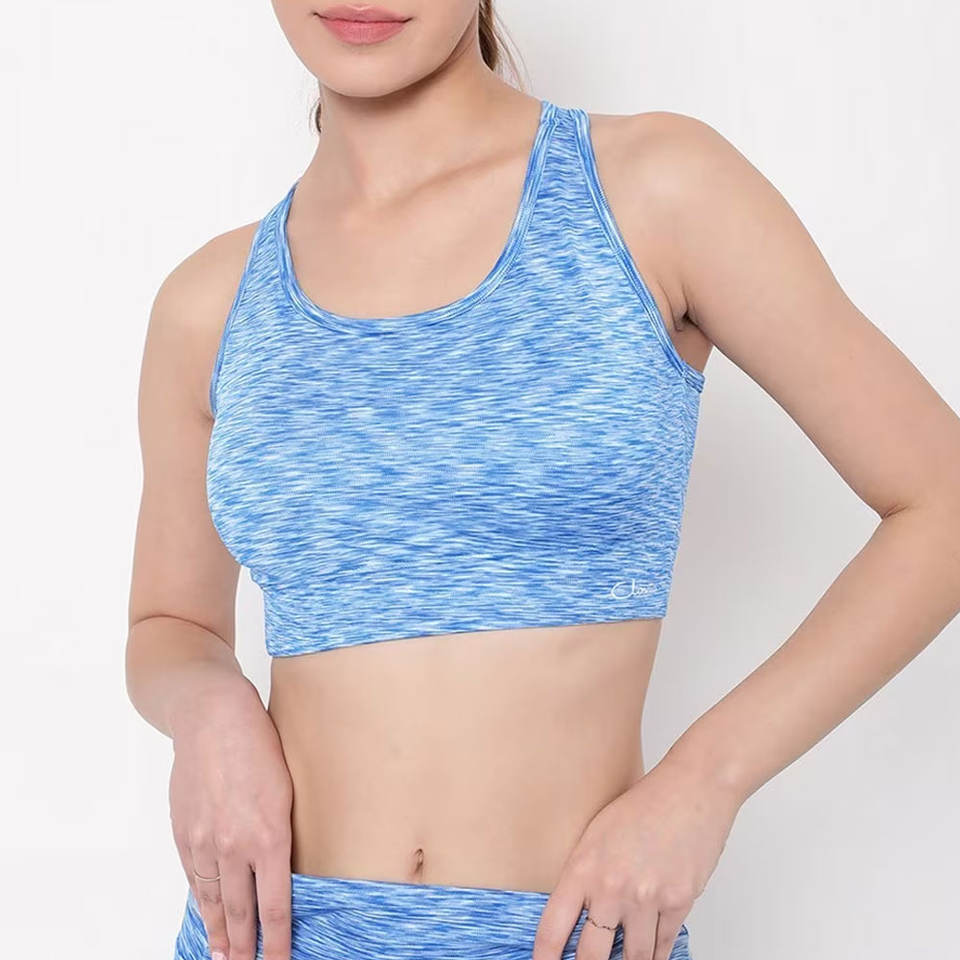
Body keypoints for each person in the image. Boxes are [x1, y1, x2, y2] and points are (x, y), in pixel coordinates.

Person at [124, 2, 960, 959]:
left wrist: (705, 782)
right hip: (268, 935)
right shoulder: (210, 303)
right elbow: (170, 623)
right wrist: (208, 710)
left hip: (568, 937)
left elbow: (941, 499)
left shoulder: (653, 192)